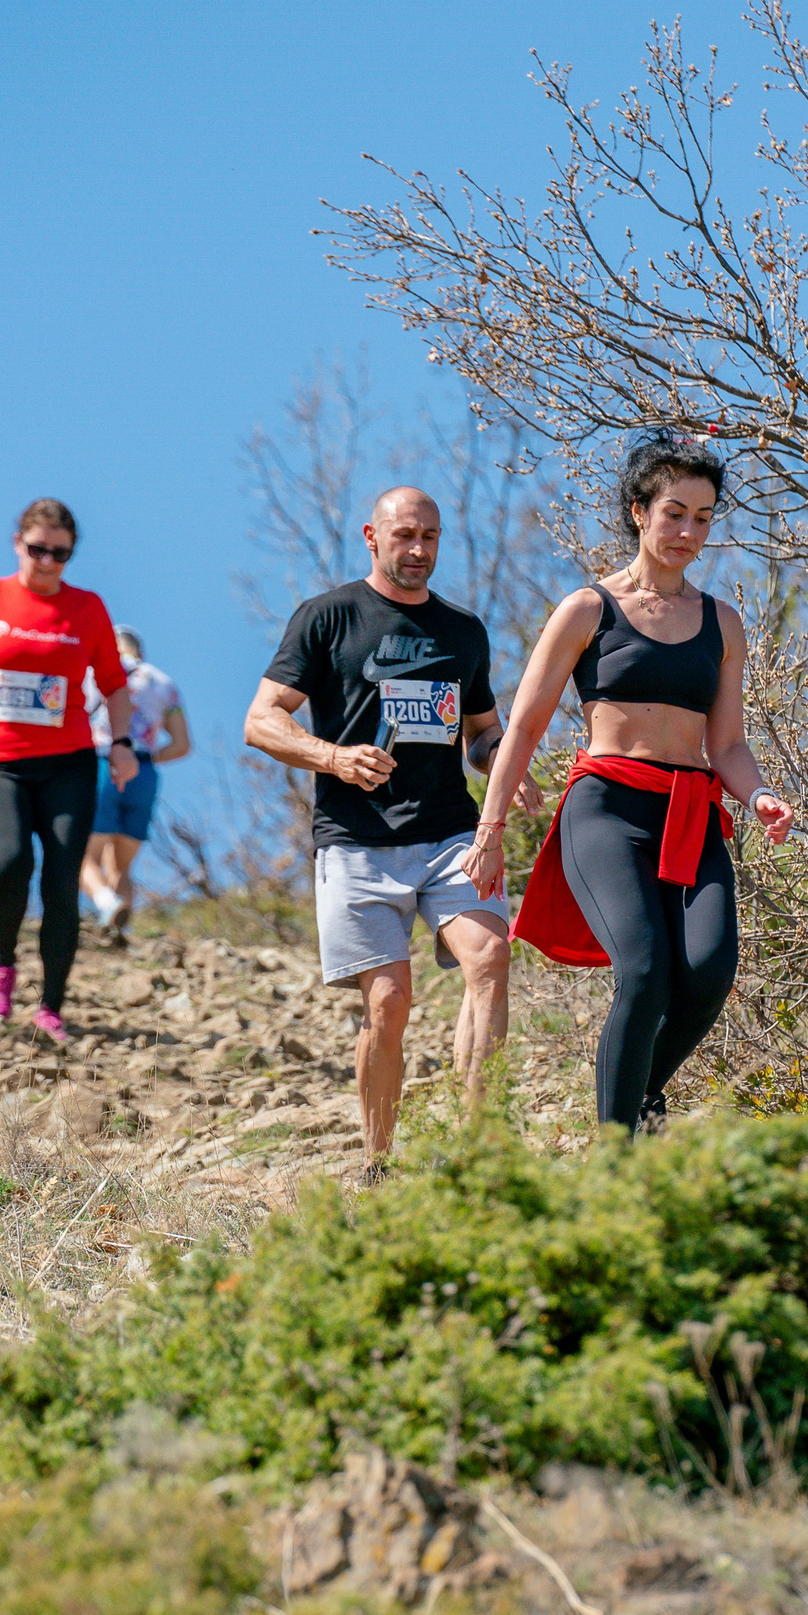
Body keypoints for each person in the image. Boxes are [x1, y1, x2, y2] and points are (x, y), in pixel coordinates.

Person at [462, 432, 794, 1135]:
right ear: (639, 511)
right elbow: (520, 728)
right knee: (643, 973)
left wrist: (758, 792)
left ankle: (639, 1095)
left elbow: (727, 743)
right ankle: (615, 1158)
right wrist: (489, 832)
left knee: (707, 972)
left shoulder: (722, 623)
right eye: (674, 512)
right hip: (607, 809)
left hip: (691, 813)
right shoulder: (588, 609)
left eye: (703, 518)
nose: (688, 532)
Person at [244, 486, 536, 1171]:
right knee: (390, 1003)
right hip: (356, 842)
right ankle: (378, 1160)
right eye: (405, 535)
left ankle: (480, 1146)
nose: (419, 550)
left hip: (448, 834)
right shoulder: (327, 617)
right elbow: (262, 720)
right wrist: (335, 757)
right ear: (372, 536)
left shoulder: (462, 630)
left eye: (430, 537)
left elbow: (482, 732)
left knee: (490, 959)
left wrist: (508, 765)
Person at [0, 498, 139, 1042]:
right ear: (17, 544)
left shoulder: (86, 608)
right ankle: (2, 964)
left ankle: (51, 1005)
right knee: (11, 859)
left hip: (67, 761)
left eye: (60, 553)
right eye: (37, 549)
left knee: (63, 882)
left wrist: (120, 743)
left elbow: (114, 684)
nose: (47, 562)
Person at [80, 625, 191, 933]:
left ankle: (106, 904)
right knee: (121, 866)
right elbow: (182, 744)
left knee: (84, 855)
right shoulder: (163, 682)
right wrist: (144, 758)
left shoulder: (92, 672)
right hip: (143, 773)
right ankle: (120, 931)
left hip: (102, 765)